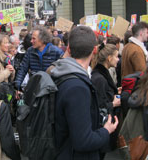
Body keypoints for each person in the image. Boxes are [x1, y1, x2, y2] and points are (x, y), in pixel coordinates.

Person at [51, 26, 118, 160]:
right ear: (94, 50)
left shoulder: (59, 72)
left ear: (68, 49)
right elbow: (83, 141)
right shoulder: (77, 87)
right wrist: (106, 130)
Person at [15, 26, 63, 90]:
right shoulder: (30, 51)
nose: (31, 41)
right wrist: (17, 86)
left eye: (34, 38)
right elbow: (23, 68)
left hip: (51, 89)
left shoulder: (56, 52)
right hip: (35, 88)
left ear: (42, 39)